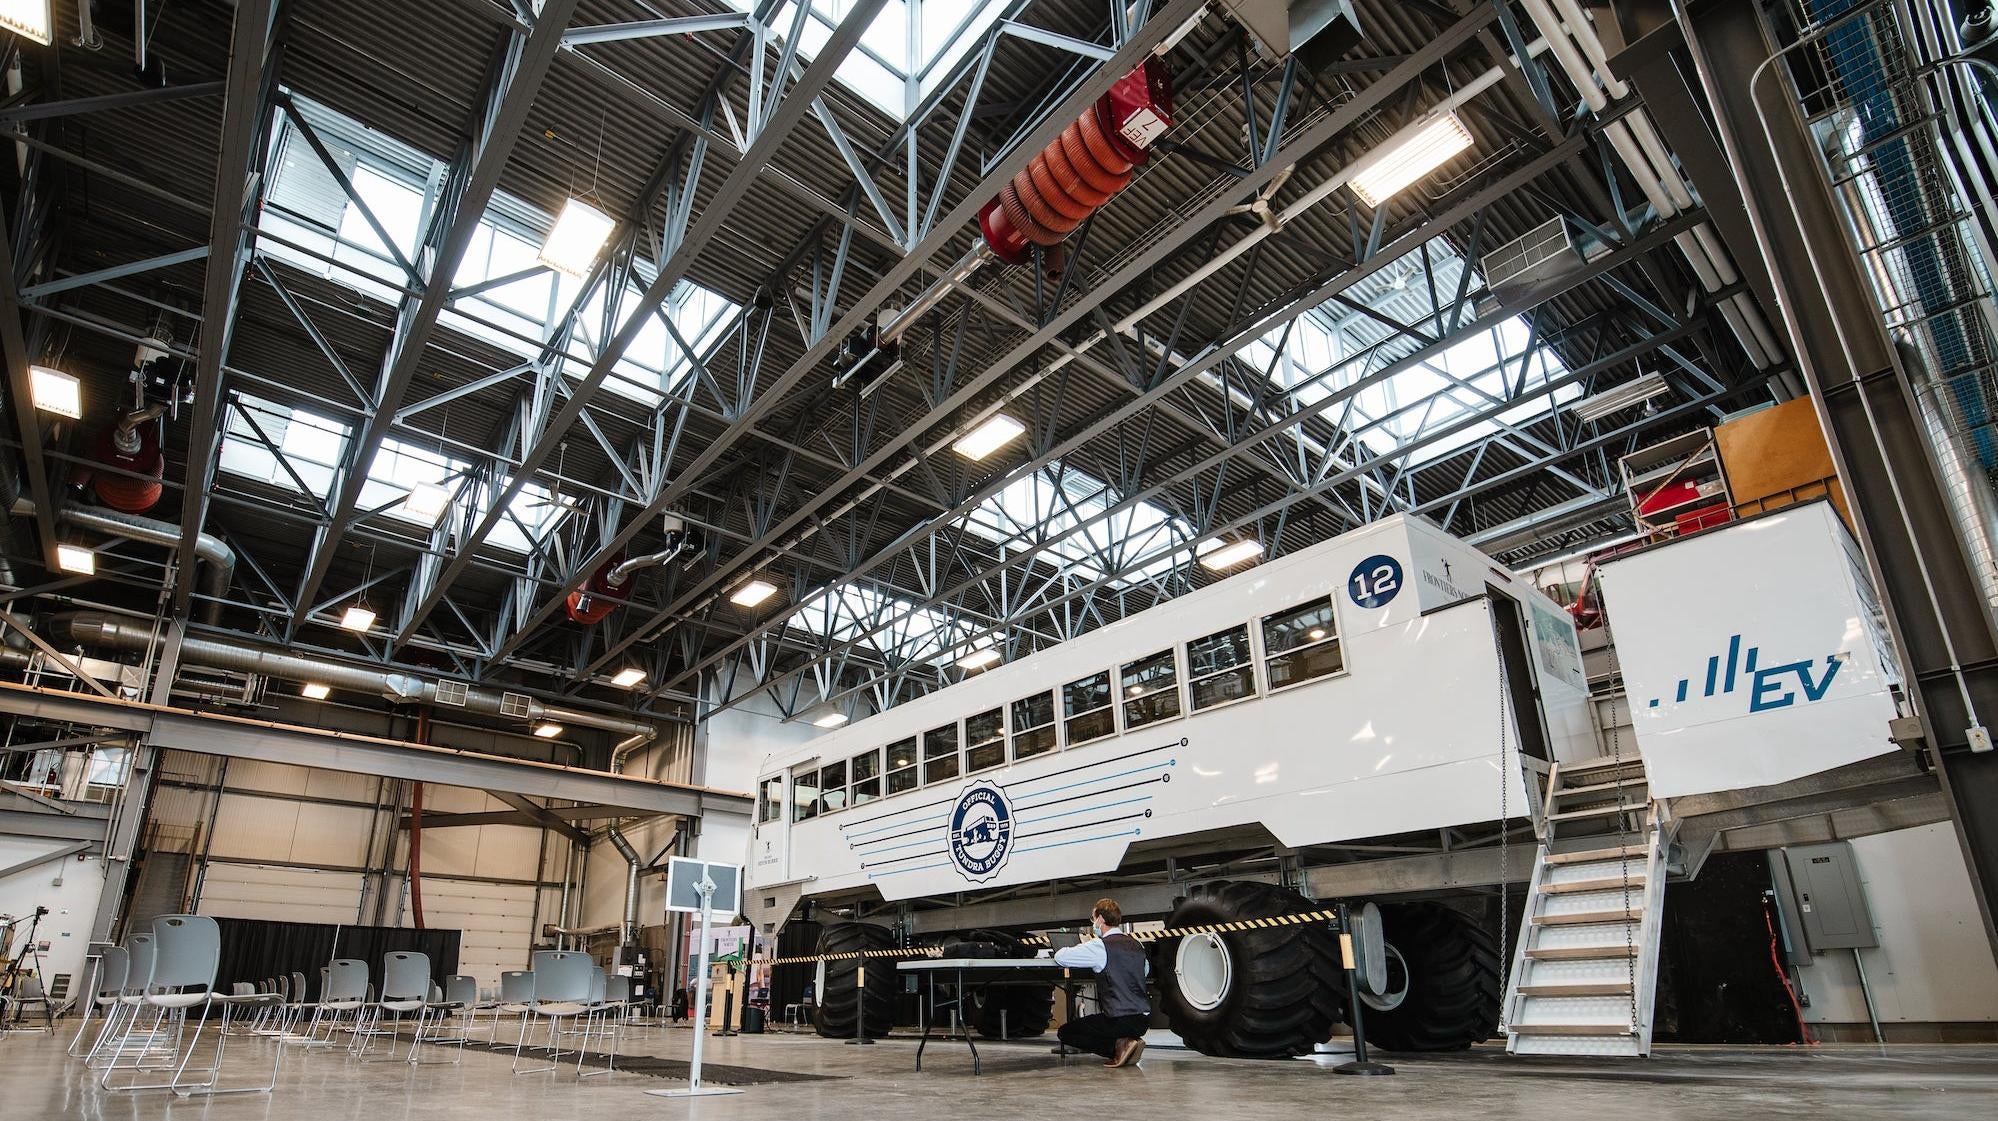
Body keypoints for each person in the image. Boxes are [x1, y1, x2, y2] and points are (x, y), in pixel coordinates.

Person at [1052, 898, 1150, 1068]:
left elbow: (1061, 957)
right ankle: (1127, 1041)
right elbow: (1144, 971)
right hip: (1143, 1020)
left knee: (1066, 1032)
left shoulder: (1100, 946)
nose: (1094, 923)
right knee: (1098, 1023)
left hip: (1119, 1019)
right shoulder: (1137, 945)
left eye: (1093, 918)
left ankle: (1119, 1047)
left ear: (1100, 919)